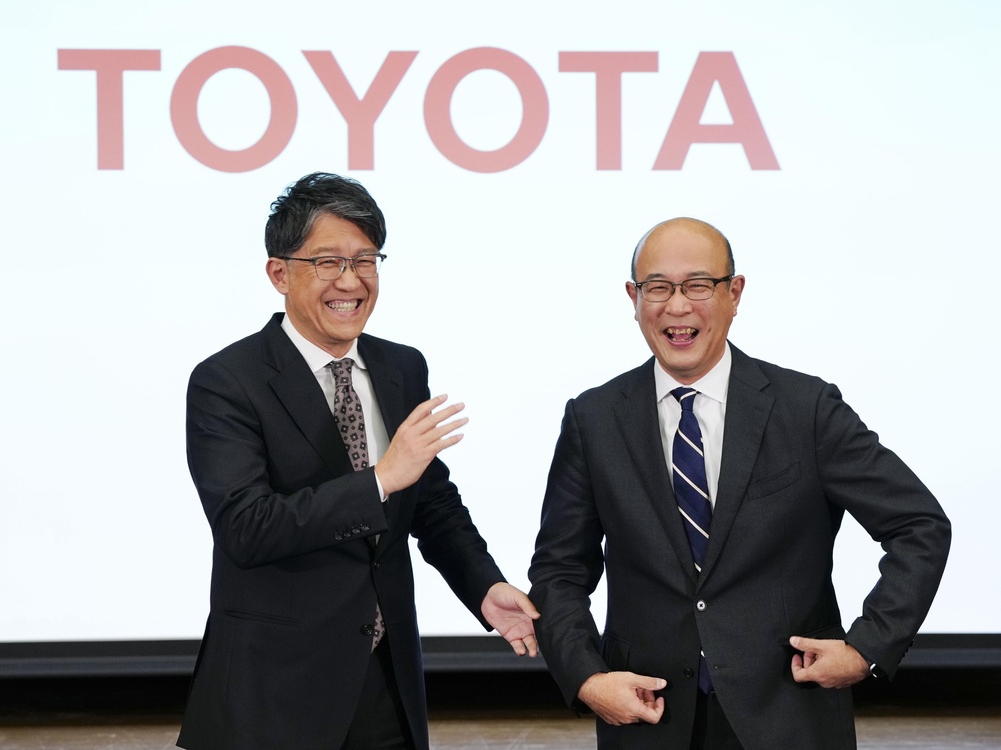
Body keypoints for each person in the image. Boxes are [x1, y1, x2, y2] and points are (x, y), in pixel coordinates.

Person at [527, 217, 950, 749]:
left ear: (735, 293)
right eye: (657, 287)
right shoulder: (593, 419)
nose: (676, 307)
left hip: (789, 715)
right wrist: (587, 678)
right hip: (647, 717)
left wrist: (867, 648)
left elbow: (920, 525)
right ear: (633, 298)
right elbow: (560, 569)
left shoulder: (807, 409)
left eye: (698, 285)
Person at [177, 171, 539, 750]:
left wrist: (483, 586)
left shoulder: (401, 368)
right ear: (279, 272)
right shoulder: (227, 381)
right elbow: (247, 528)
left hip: (384, 681)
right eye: (328, 262)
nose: (350, 281)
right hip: (274, 693)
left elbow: (433, 503)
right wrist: (379, 482)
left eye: (365, 260)